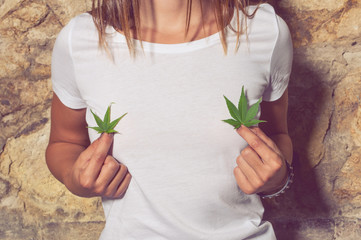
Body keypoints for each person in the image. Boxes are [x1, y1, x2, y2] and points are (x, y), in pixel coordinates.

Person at [46, 0, 293, 239]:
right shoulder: (81, 39)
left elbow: (277, 136)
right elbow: (64, 142)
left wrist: (279, 178)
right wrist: (74, 178)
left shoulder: (265, 32)